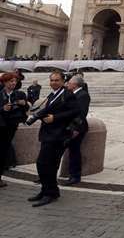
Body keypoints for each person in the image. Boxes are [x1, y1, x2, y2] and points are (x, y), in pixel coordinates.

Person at [29, 71, 80, 207]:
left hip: (58, 135)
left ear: (63, 81)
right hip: (48, 133)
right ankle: (47, 190)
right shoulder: (53, 94)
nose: (53, 83)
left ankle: (50, 193)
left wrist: (55, 118)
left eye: (57, 80)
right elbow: (47, 110)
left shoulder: (68, 94)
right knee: (43, 163)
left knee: (47, 164)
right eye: (51, 80)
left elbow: (75, 111)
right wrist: (34, 117)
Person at [0, 73, 29, 188]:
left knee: (3, 151)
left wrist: (24, 104)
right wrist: (3, 108)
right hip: (1, 125)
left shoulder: (20, 94)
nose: (13, 83)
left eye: (14, 81)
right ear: (4, 82)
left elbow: (26, 108)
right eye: (10, 81)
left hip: (11, 126)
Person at [62, 75, 90, 186]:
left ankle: (75, 176)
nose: (67, 84)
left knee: (74, 152)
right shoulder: (70, 93)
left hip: (76, 129)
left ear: (75, 84)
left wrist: (75, 128)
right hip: (66, 127)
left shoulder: (83, 95)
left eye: (69, 82)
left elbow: (81, 114)